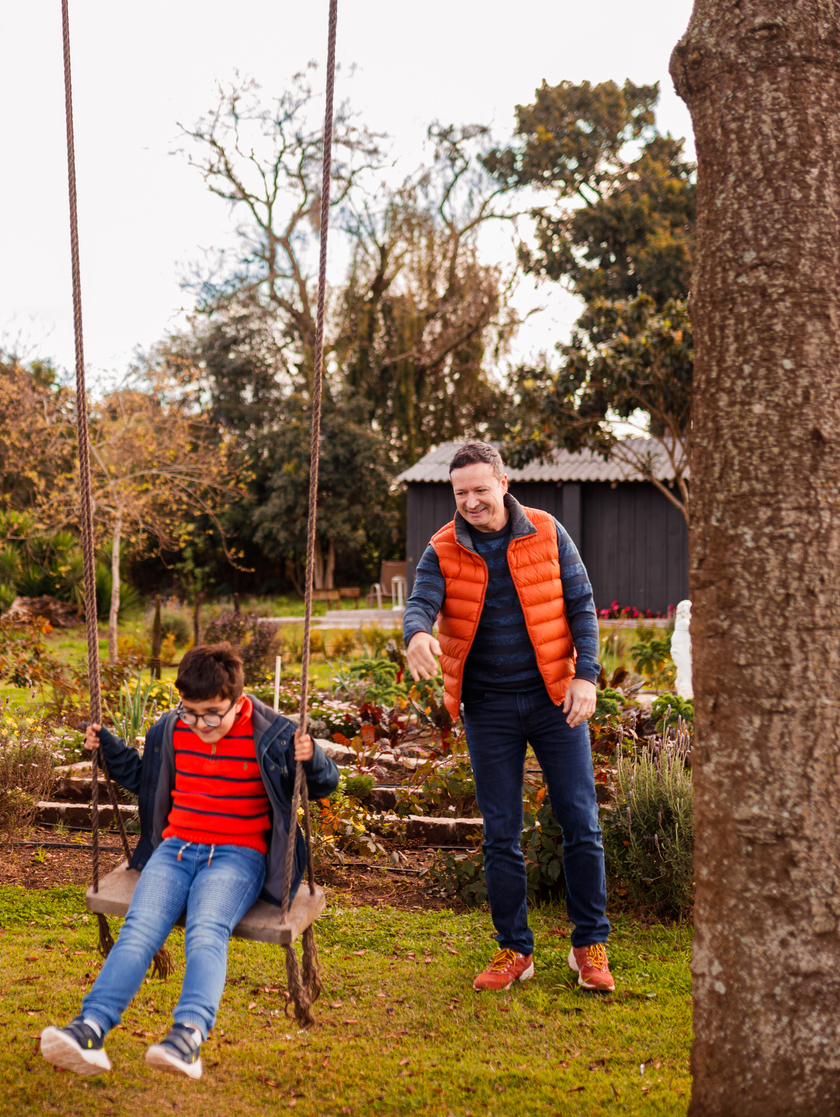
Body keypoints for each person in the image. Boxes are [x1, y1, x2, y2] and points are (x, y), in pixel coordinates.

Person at [40, 640, 339, 1080]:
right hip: (175, 851)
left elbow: (322, 784)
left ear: (237, 701)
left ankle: (187, 1038)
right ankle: (90, 1030)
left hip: (238, 858)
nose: (201, 724)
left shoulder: (274, 735)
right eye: (190, 712)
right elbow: (145, 777)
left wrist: (312, 758)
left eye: (212, 714)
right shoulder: (171, 729)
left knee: (206, 928)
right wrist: (107, 747)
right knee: (140, 930)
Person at [404, 441, 614, 993]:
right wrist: (417, 633)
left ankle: (589, 944)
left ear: (503, 482)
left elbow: (582, 605)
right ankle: (515, 949)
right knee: (501, 833)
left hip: (555, 700)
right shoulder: (442, 547)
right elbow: (421, 601)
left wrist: (586, 676)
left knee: (581, 822)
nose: (471, 501)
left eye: (479, 488)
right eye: (460, 492)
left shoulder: (546, 531)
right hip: (489, 708)